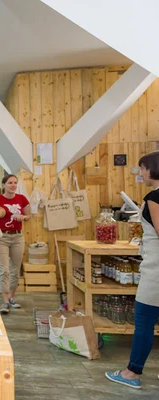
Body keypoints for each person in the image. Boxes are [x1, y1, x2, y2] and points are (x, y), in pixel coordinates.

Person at [105, 151, 159, 390]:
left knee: (144, 321)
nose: (140, 173)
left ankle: (131, 372)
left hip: (156, 270)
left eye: (142, 168)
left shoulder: (154, 198)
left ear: (152, 169)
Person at [0, 174, 31, 314]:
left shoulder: (22, 199)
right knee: (4, 270)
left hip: (17, 237)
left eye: (15, 182)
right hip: (2, 236)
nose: (13, 185)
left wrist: (24, 217)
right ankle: (5, 301)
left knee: (15, 269)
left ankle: (12, 298)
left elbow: (29, 216)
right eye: (10, 183)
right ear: (3, 185)